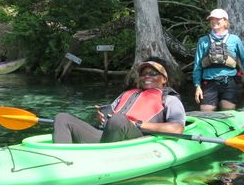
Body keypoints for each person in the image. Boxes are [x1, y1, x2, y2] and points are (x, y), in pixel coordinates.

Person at [53, 61, 186, 144]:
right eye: (143, 74)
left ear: (164, 79)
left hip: (137, 139)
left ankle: (101, 160)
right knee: (62, 117)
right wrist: (103, 118)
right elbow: (111, 115)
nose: (147, 76)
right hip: (110, 135)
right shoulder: (127, 94)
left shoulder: (170, 99)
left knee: (118, 120)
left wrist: (138, 124)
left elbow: (177, 129)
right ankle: (62, 159)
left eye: (152, 73)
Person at [193, 8, 244, 111]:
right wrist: (197, 86)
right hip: (209, 83)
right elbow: (198, 65)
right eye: (212, 19)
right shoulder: (203, 41)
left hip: (229, 82)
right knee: (206, 111)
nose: (214, 21)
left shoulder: (234, 39)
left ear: (225, 21)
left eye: (217, 19)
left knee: (227, 109)